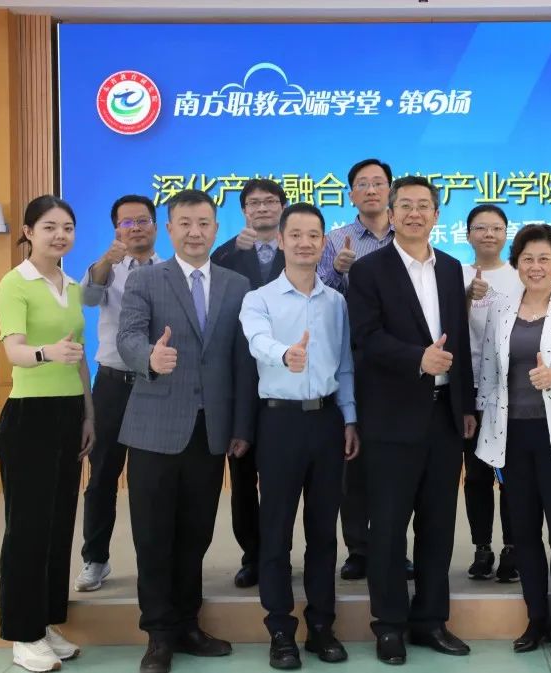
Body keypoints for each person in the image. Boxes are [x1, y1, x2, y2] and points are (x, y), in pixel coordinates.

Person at [116, 189, 258, 673]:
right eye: (185, 223)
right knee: (153, 535)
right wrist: (149, 359)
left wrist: (241, 425)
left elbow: (242, 362)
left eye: (203, 223)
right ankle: (158, 634)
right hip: (155, 427)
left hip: (211, 430)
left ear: (216, 229)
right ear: (169, 229)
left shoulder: (237, 285)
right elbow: (128, 336)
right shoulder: (146, 279)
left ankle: (187, 624)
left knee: (196, 534)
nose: (195, 232)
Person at [346, 176, 476, 664]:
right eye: (406, 205)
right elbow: (365, 338)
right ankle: (389, 625)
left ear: (437, 215)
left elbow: (459, 341)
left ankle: (431, 621)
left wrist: (465, 405)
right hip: (391, 418)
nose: (415, 213)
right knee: (388, 527)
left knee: (438, 526)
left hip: (444, 416)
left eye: (425, 206)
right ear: (392, 214)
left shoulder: (452, 269)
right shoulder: (369, 270)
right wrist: (417, 359)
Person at [240, 202, 360, 670]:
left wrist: (349, 418)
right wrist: (284, 354)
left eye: (314, 235)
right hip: (279, 423)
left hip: (327, 422)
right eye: (296, 235)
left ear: (323, 242)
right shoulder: (260, 299)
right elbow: (256, 341)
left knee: (323, 533)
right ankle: (280, 631)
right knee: (275, 532)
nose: (305, 243)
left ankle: (322, 626)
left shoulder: (336, 302)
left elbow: (344, 365)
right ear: (281, 240)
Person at [475, 224, 551, 659]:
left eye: (545, 258)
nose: (536, 266)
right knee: (524, 532)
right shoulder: (501, 307)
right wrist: (479, 416)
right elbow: (489, 370)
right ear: (517, 263)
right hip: (512, 435)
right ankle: (536, 619)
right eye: (527, 258)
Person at [0, 195, 93, 672]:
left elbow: (80, 357)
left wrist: (89, 415)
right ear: (29, 232)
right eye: (50, 226)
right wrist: (45, 353)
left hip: (69, 413)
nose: (60, 235)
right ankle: (22, 634)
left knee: (57, 528)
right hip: (29, 417)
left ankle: (47, 622)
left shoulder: (72, 286)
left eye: (67, 227)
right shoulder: (15, 282)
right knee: (28, 530)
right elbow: (13, 350)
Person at [317, 158, 408, 581]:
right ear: (351, 194)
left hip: (400, 361)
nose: (371, 190)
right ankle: (357, 548)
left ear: (390, 190)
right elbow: (316, 297)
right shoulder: (336, 240)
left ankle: (394, 547)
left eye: (378, 183)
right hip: (350, 360)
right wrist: (337, 273)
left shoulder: (407, 235)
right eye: (362, 184)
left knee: (396, 462)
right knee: (353, 459)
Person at [74, 194, 159, 594]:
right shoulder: (107, 269)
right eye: (127, 222)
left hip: (154, 386)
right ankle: (95, 559)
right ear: (116, 230)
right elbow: (88, 299)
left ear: (156, 226)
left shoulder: (170, 270)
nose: (136, 227)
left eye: (142, 220)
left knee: (151, 481)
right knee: (103, 475)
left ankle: (154, 562)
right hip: (112, 384)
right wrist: (106, 261)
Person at [211, 178, 288, 589]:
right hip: (239, 382)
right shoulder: (227, 253)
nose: (262, 209)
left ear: (282, 208)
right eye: (254, 203)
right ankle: (252, 556)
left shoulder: (298, 248)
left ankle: (278, 554)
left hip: (286, 379)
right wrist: (232, 250)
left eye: (270, 202)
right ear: (243, 211)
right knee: (242, 479)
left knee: (282, 481)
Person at [461, 205, 521, 583]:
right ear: (467, 234)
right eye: (480, 228)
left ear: (505, 234)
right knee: (477, 474)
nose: (488, 234)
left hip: (510, 389)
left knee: (512, 474)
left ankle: (513, 547)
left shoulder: (520, 276)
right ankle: (482, 548)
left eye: (496, 228)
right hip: (467, 387)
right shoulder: (454, 274)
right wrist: (467, 296)